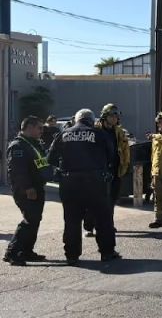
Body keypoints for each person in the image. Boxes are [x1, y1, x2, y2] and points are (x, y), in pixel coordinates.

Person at [48, 109, 121, 265]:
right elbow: (112, 156)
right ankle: (107, 253)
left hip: (69, 183)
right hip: (95, 183)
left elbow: (51, 158)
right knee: (103, 219)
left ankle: (72, 256)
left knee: (72, 220)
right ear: (92, 120)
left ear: (76, 119)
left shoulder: (64, 134)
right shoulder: (100, 134)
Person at [4, 117, 49, 266]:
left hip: (37, 187)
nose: (41, 131)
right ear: (29, 127)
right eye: (39, 128)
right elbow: (17, 171)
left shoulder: (33, 144)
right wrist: (27, 188)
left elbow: (41, 164)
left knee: (35, 220)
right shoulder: (18, 146)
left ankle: (27, 251)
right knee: (29, 220)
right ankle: (12, 252)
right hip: (27, 190)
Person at [83, 104, 131, 237]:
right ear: (105, 116)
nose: (115, 118)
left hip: (115, 171)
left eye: (117, 115)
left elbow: (125, 149)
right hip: (97, 172)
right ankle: (89, 227)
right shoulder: (94, 130)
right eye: (112, 115)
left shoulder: (119, 132)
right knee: (94, 200)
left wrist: (125, 166)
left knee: (111, 200)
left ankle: (108, 224)